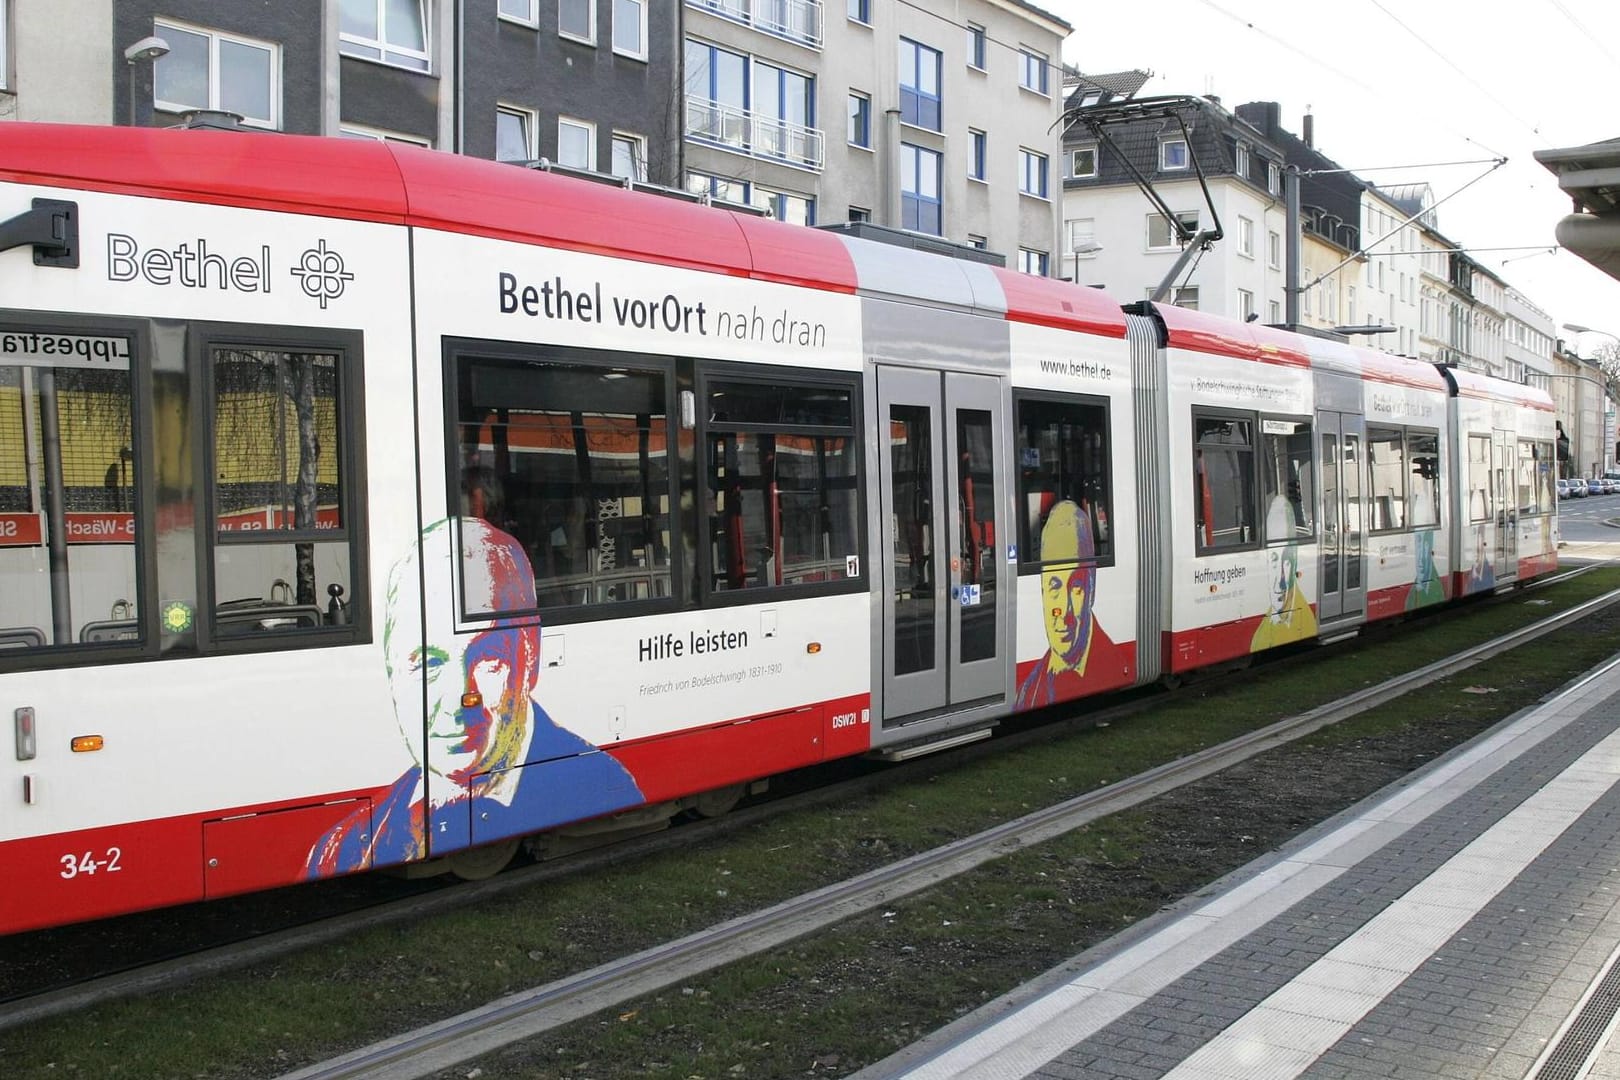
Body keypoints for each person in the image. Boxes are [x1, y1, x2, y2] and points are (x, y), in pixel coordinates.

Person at [305, 517, 643, 875]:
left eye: (487, 661)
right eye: (428, 662)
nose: (460, 700)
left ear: (530, 658)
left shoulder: (602, 783)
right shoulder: (341, 845)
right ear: (390, 672)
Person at [1014, 501, 1125, 710]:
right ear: (1042, 591)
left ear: (1091, 589)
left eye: (1075, 587)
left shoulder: (1118, 665)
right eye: (1055, 587)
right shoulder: (1026, 692)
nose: (1064, 612)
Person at [1249, 541, 1318, 651]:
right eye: (1274, 564)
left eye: (1286, 564)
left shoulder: (1308, 620)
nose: (1280, 583)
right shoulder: (1260, 635)